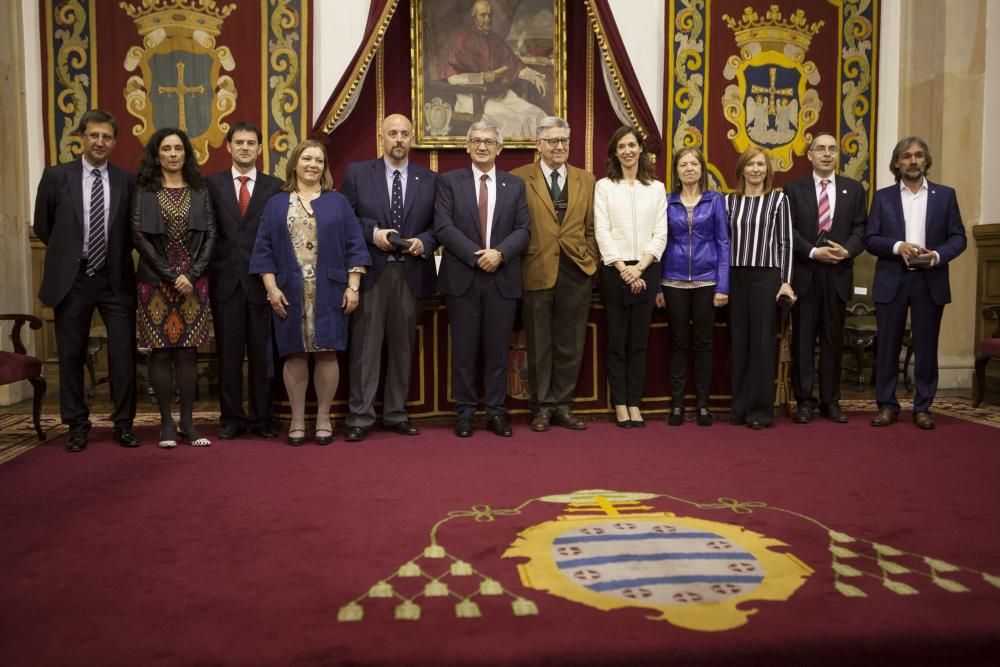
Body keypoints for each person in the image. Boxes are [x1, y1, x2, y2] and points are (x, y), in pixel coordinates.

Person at [249, 140, 371, 445]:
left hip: (329, 288)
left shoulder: (337, 202)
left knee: (327, 352)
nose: (313, 164)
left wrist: (353, 286)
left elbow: (355, 245)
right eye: (307, 158)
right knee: (294, 354)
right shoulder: (277, 203)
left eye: (318, 160)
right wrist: (271, 288)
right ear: (295, 163)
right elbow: (263, 247)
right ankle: (298, 420)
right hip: (289, 289)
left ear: (324, 167)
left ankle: (324, 418)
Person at [33, 109, 138, 453]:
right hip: (72, 279)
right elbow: (45, 226)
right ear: (81, 137)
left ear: (114, 142)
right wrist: (71, 257)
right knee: (71, 355)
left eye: (107, 137)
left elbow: (131, 231)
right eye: (94, 135)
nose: (100, 142)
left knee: (123, 354)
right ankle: (77, 424)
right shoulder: (55, 177)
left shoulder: (126, 180)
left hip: (115, 278)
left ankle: (123, 424)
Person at [340, 114, 438, 443]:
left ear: (412, 139)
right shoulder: (357, 173)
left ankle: (396, 413)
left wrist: (425, 241)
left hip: (411, 272)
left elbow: (440, 225)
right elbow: (346, 218)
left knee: (403, 347)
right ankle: (360, 416)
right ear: (381, 137)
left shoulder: (430, 179)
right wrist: (373, 232)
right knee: (365, 348)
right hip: (372, 271)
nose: (398, 139)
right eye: (392, 133)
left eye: (404, 134)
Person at [435, 119, 531, 438]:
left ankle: (495, 412)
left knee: (496, 351)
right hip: (463, 277)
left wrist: (499, 254)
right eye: (476, 141)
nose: (482, 146)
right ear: (466, 146)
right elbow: (444, 227)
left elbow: (523, 230)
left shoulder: (514, 185)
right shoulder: (449, 182)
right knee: (463, 351)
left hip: (501, 277)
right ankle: (464, 413)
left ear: (499, 148)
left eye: (489, 141)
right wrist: (478, 255)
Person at [865, 137, 967, 430]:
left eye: (919, 156)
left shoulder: (945, 196)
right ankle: (886, 405)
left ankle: (923, 407)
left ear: (926, 161)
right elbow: (871, 239)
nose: (913, 161)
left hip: (930, 279)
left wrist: (936, 255)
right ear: (897, 163)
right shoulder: (883, 197)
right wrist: (899, 247)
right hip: (892, 278)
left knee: (926, 346)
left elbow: (958, 237)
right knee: (887, 346)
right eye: (906, 156)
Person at [132, 128, 216, 448]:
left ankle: (188, 423)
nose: (172, 154)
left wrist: (191, 274)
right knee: (160, 353)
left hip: (193, 284)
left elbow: (211, 235)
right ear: (157, 155)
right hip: (155, 282)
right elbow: (138, 235)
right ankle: (166, 423)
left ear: (186, 154)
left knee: (187, 355)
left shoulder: (199, 189)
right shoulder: (144, 189)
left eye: (178, 148)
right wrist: (170, 274)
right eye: (166, 149)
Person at [510, 117, 596, 432]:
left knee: (570, 344)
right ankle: (542, 408)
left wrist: (592, 260)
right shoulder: (518, 179)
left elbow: (591, 228)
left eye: (564, 141)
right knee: (539, 344)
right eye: (552, 141)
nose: (559, 147)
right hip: (536, 269)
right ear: (539, 144)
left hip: (577, 271)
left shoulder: (586, 179)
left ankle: (563, 405)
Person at [206, 122, 284, 441]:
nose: (245, 147)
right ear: (228, 147)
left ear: (260, 149)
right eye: (239, 142)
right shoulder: (211, 186)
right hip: (224, 281)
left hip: (262, 281)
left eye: (251, 143)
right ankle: (231, 419)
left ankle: (263, 418)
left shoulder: (276, 187)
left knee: (263, 354)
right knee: (229, 355)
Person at [785, 132, 867, 424]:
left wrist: (848, 251)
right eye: (820, 148)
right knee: (803, 342)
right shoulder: (793, 190)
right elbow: (788, 231)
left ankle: (831, 401)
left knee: (833, 340)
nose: (827, 153)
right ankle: (804, 400)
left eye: (832, 149)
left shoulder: (853, 189)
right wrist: (813, 252)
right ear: (809, 155)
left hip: (838, 274)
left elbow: (861, 229)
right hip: (805, 274)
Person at [594, 126, 668, 429]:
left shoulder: (657, 188)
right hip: (615, 270)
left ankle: (635, 403)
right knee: (617, 339)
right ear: (615, 152)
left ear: (641, 150)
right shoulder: (604, 186)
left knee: (639, 340)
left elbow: (661, 233)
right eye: (621, 146)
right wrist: (624, 268)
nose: (627, 151)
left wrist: (641, 268)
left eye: (632, 145)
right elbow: (602, 230)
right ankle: (620, 404)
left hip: (647, 269)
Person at [655, 147, 729, 427]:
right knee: (677, 341)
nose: (688, 168)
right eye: (683, 164)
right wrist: (658, 288)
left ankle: (702, 405)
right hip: (672, 280)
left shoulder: (715, 200)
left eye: (694, 163)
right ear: (676, 171)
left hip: (707, 280)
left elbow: (723, 242)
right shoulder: (666, 202)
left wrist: (723, 286)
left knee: (703, 342)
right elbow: (660, 244)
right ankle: (676, 405)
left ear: (702, 168)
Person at [725, 147, 794, 429]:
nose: (756, 169)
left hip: (766, 277)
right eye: (751, 164)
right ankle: (739, 408)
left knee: (763, 345)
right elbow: (723, 242)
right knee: (739, 344)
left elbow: (785, 243)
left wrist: (786, 281)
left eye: (761, 165)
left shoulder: (778, 201)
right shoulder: (729, 201)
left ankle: (760, 412)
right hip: (736, 276)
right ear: (742, 169)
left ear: (768, 171)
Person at [441, 0, 547, 138]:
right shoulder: (464, 39)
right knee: (513, 121)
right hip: (474, 98)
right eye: (483, 15)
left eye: (490, 15)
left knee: (538, 115)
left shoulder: (495, 40)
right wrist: (482, 77)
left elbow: (514, 65)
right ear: (474, 18)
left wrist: (534, 76)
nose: (487, 19)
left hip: (500, 95)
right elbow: (452, 78)